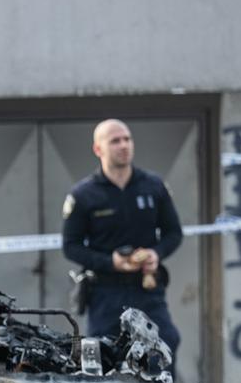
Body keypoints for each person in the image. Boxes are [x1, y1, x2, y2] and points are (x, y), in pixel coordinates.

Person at [61, 119, 184, 369]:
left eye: (127, 139)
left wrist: (155, 254)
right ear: (98, 149)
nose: (124, 145)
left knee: (166, 344)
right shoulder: (84, 194)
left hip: (147, 289)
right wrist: (111, 262)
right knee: (102, 358)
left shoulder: (153, 186)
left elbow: (174, 233)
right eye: (115, 141)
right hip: (106, 293)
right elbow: (71, 246)